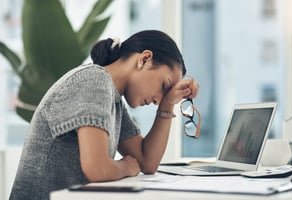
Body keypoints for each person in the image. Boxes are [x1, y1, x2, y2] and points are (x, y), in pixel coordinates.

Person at [9, 30, 199, 200]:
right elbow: (97, 169)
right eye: (163, 86)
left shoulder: (114, 100)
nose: (158, 99)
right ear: (144, 59)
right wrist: (125, 166)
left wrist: (168, 104)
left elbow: (147, 162)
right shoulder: (94, 80)